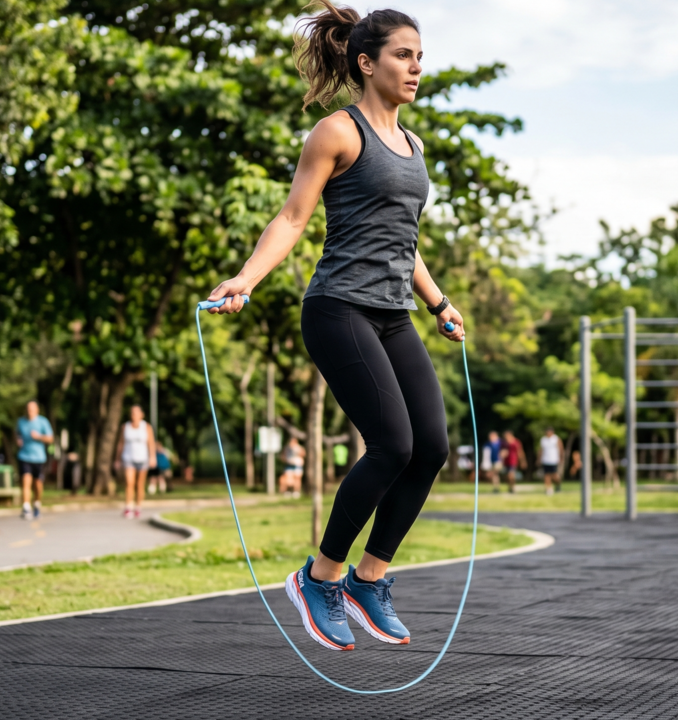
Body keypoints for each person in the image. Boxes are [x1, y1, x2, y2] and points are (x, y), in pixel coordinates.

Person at [206, 2, 462, 651]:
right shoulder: (337, 132)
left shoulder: (415, 147)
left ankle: (368, 580)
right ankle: (318, 578)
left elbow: (404, 242)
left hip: (394, 314)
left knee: (431, 447)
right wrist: (246, 279)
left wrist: (439, 304)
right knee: (392, 445)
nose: (416, 67)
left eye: (420, 56)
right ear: (366, 62)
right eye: (403, 55)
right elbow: (293, 217)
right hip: (338, 308)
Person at [114, 404, 156, 519]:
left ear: (142, 414)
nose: (134, 415)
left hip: (143, 458)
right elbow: (120, 444)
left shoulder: (146, 427)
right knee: (129, 483)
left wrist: (152, 457)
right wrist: (117, 459)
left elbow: (151, 443)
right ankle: (128, 507)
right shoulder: (125, 427)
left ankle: (138, 507)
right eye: (132, 412)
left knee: (140, 484)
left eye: (136, 412)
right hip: (128, 458)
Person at [15, 400, 54, 519]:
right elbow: (16, 434)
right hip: (24, 456)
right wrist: (18, 440)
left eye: (32, 409)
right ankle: (26, 508)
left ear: (37, 410)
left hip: (39, 458)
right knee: (26, 480)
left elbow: (50, 439)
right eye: (28, 409)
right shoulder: (21, 422)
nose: (29, 411)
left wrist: (39, 436)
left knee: (37, 484)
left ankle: (37, 504)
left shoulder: (43, 422)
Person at [539, 426, 564, 496]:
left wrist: (561, 458)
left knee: (554, 475)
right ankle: (548, 489)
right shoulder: (543, 439)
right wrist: (539, 458)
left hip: (554, 460)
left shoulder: (556, 439)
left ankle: (558, 485)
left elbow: (561, 449)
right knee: (546, 475)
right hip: (545, 460)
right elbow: (541, 449)